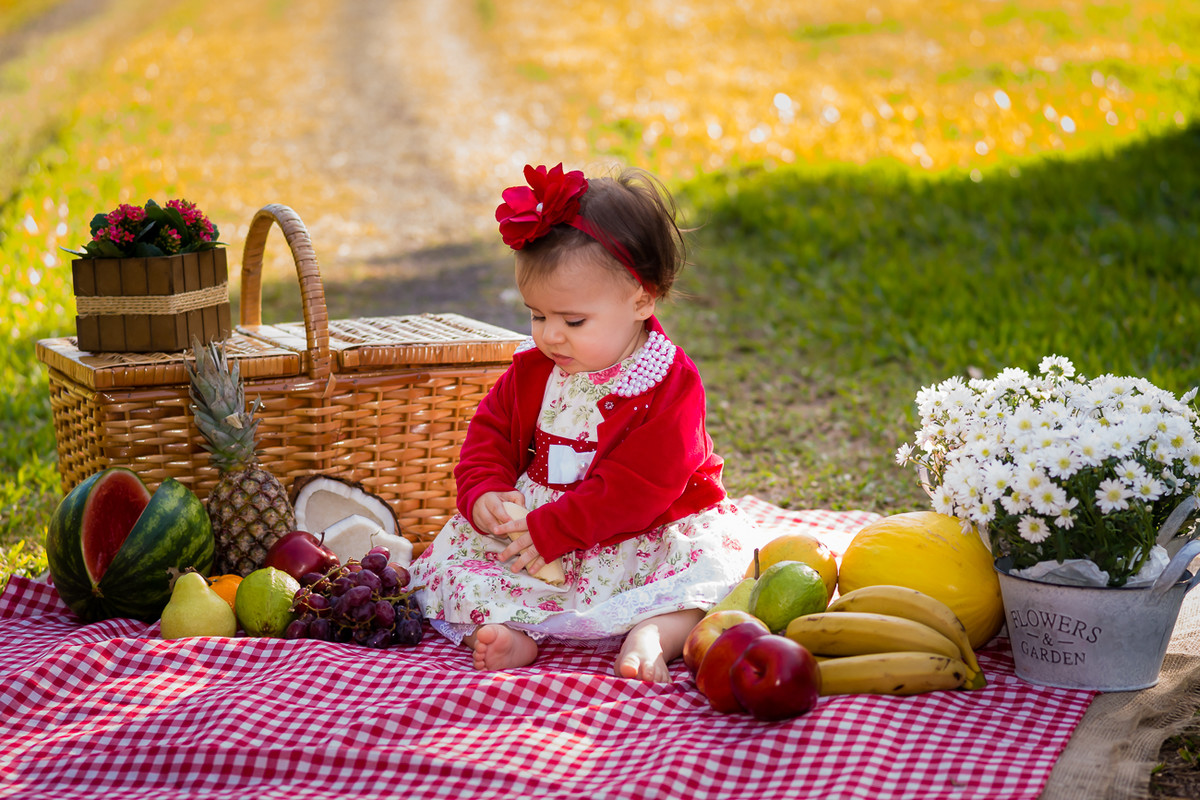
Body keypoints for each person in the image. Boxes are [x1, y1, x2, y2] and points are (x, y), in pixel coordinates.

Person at [410, 163, 763, 681]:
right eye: (537, 315)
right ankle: (515, 632)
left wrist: (560, 528)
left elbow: (642, 486)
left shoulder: (666, 382)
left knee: (710, 571)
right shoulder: (534, 370)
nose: (551, 336)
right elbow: (489, 434)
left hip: (646, 529)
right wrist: (484, 489)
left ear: (641, 299)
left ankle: (657, 631)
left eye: (572, 321)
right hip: (541, 533)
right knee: (452, 570)